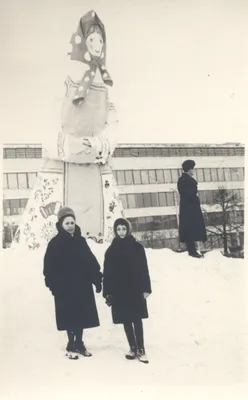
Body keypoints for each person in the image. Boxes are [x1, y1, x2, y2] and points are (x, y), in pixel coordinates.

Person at [13, 10, 123, 250]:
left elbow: (114, 122)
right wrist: (66, 145)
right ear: (81, 41)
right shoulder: (63, 78)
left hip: (95, 169)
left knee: (103, 240)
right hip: (62, 167)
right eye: (92, 40)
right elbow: (46, 119)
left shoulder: (104, 83)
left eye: (100, 40)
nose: (96, 45)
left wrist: (99, 144)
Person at [43, 207, 103, 360]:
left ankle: (80, 343)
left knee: (81, 315)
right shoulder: (55, 244)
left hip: (82, 285)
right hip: (65, 288)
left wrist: (97, 280)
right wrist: (53, 286)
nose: (70, 225)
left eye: (72, 222)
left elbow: (91, 262)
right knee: (69, 315)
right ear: (61, 224)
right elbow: (49, 267)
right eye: (67, 223)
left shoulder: (80, 241)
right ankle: (71, 343)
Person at [103, 218, 152, 364]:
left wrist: (146, 289)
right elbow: (108, 273)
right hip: (120, 291)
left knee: (137, 319)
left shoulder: (137, 248)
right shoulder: (111, 251)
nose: (121, 232)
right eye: (118, 229)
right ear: (115, 231)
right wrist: (108, 292)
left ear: (128, 229)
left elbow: (144, 269)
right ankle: (132, 347)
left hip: (135, 289)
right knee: (126, 320)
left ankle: (141, 349)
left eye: (124, 229)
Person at [177, 159, 207, 258]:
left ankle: (192, 250)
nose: (193, 171)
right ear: (189, 169)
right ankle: (192, 251)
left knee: (190, 228)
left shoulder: (184, 179)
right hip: (189, 208)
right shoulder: (185, 180)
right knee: (190, 228)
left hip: (188, 207)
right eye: (193, 169)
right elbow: (189, 194)